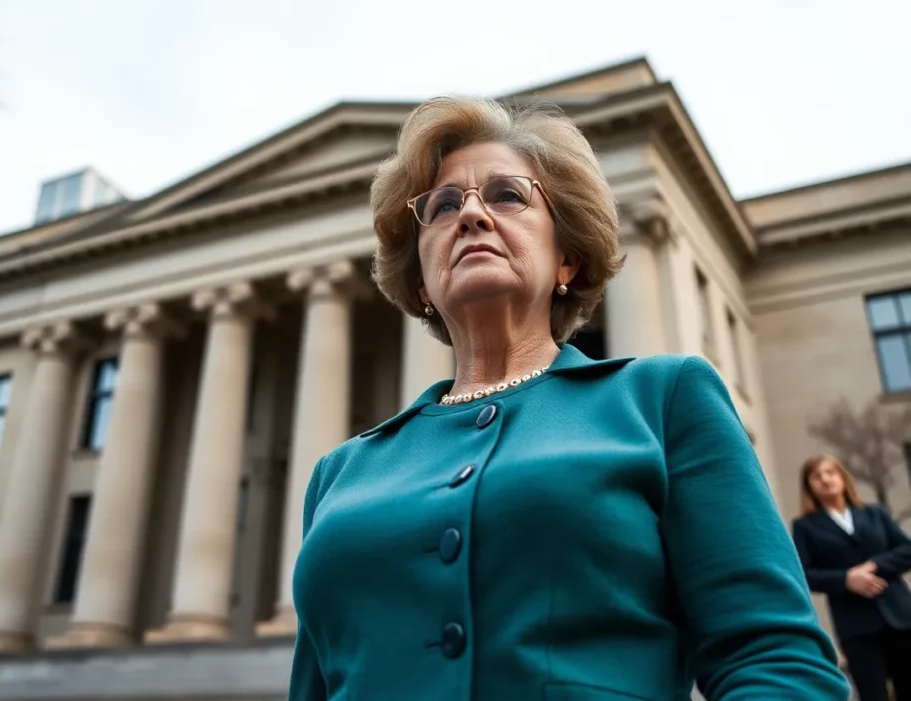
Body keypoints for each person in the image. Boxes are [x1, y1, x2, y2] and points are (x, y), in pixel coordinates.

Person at [287, 96, 849, 701]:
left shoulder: (663, 400)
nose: (470, 214)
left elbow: (775, 661)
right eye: (443, 205)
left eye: (507, 196)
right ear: (421, 279)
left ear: (568, 257)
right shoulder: (339, 474)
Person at [792, 454, 911, 701]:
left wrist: (874, 565)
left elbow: (907, 550)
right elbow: (804, 574)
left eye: (830, 472)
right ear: (809, 487)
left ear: (842, 477)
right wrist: (845, 579)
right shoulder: (805, 526)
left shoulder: (874, 513)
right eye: (816, 476)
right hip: (856, 627)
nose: (825, 479)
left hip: (901, 617)